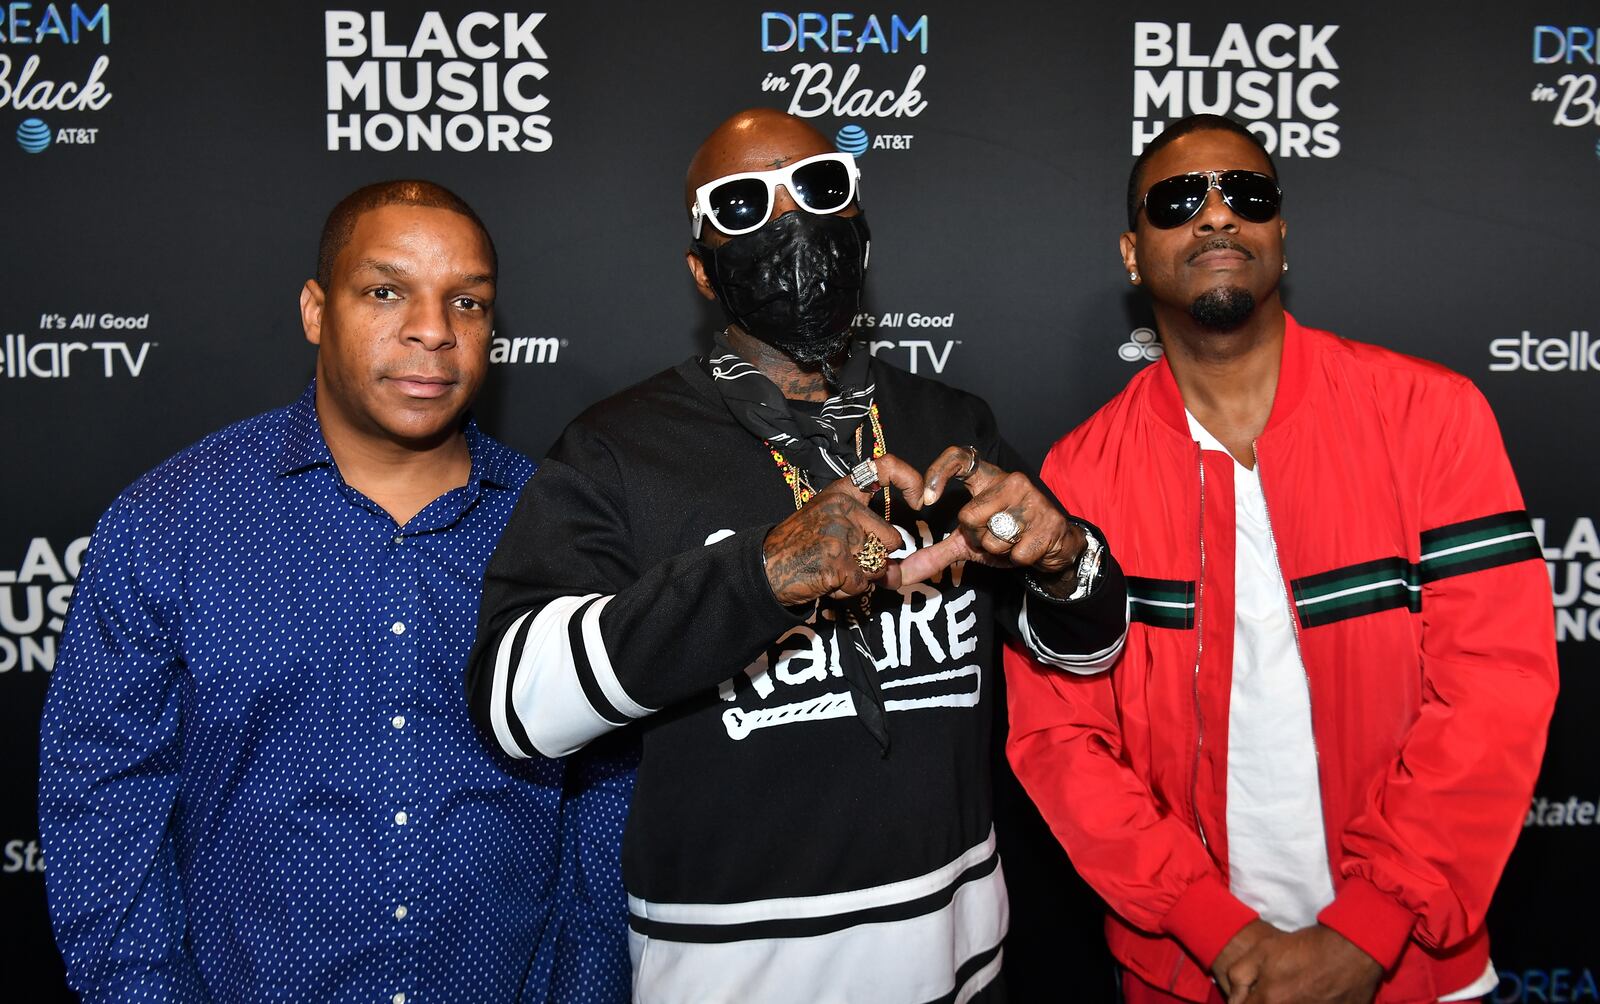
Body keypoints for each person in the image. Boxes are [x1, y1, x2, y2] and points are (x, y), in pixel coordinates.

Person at [466, 107, 1129, 1004]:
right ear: (703, 266)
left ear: (859, 228)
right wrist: (758, 577)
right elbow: (514, 706)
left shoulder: (949, 426)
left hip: (963, 968)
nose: (790, 223)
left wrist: (1063, 557)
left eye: (820, 190)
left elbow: (1083, 650)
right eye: (742, 204)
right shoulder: (621, 447)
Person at [1004, 114, 1558, 1004]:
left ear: (1281, 237)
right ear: (1132, 253)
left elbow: (1494, 690)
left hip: (1414, 966)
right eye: (1180, 201)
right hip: (1189, 973)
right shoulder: (1077, 475)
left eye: (1247, 195)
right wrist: (1216, 932)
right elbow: (1061, 738)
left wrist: (1371, 928)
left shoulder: (1432, 416)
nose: (1218, 216)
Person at [38, 180, 628, 1003]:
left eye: (468, 302)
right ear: (317, 311)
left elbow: (604, 804)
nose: (432, 330)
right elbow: (102, 806)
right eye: (386, 292)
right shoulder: (169, 520)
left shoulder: (565, 529)